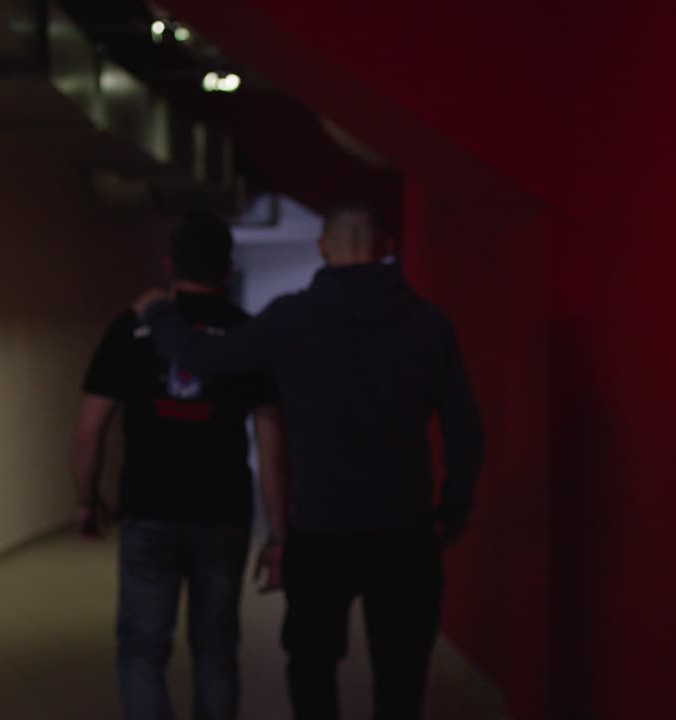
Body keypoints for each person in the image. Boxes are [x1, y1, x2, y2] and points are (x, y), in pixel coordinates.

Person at [133, 201, 484, 720]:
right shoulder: (429, 326)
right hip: (406, 533)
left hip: (321, 533)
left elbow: (206, 360)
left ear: (323, 249)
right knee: (401, 680)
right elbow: (465, 430)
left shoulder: (292, 319)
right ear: (386, 250)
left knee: (312, 669)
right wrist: (452, 510)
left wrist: (159, 313)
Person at [72, 210, 289, 720]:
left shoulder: (130, 327)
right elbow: (273, 443)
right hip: (223, 513)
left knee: (142, 652)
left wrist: (86, 499)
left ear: (169, 263)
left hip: (149, 509)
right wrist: (280, 535)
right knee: (216, 652)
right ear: (227, 268)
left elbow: (87, 431)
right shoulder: (248, 335)